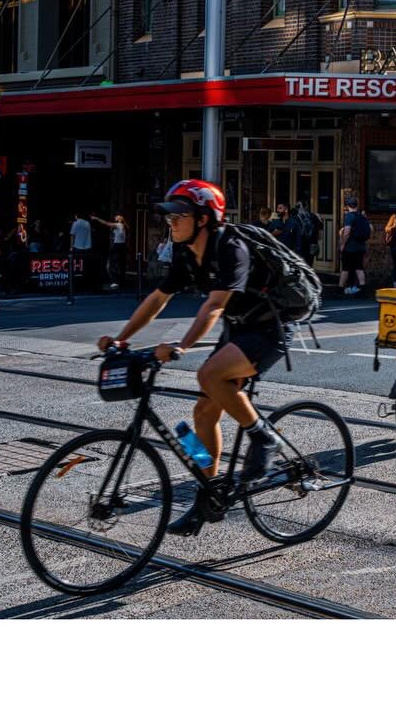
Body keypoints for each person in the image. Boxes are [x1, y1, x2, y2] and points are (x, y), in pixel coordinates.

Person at [97, 179, 289, 538]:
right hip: (239, 329)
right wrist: (122, 339)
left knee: (208, 375)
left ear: (203, 219)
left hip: (269, 328)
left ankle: (264, 437)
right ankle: (208, 497)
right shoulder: (186, 253)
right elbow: (158, 299)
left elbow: (214, 305)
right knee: (202, 413)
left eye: (178, 216)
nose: (171, 223)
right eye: (169, 217)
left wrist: (182, 346)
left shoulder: (230, 247)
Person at [339, 197, 370, 296]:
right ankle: (363, 290)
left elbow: (347, 232)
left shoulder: (349, 216)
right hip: (360, 247)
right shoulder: (362, 217)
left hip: (350, 247)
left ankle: (340, 290)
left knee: (345, 269)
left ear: (348, 206)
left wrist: (343, 244)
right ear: (356, 205)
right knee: (359, 268)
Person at [93, 213, 129, 290]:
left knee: (112, 264)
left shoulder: (119, 225)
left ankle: (115, 282)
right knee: (121, 264)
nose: (115, 217)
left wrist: (97, 218)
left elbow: (106, 223)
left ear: (120, 218)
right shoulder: (123, 226)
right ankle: (121, 282)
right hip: (122, 246)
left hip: (117, 246)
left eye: (117, 216)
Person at [69, 211, 93, 289]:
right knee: (86, 265)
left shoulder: (75, 223)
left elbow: (72, 235)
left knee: (77, 266)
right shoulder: (87, 223)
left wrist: (71, 247)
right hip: (87, 247)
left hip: (77, 247)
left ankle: (77, 283)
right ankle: (86, 282)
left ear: (76, 216)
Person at [293, 199, 318, 267]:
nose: (297, 208)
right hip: (306, 244)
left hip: (304, 244)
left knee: (305, 264)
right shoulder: (313, 216)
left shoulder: (296, 217)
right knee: (306, 264)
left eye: (298, 206)